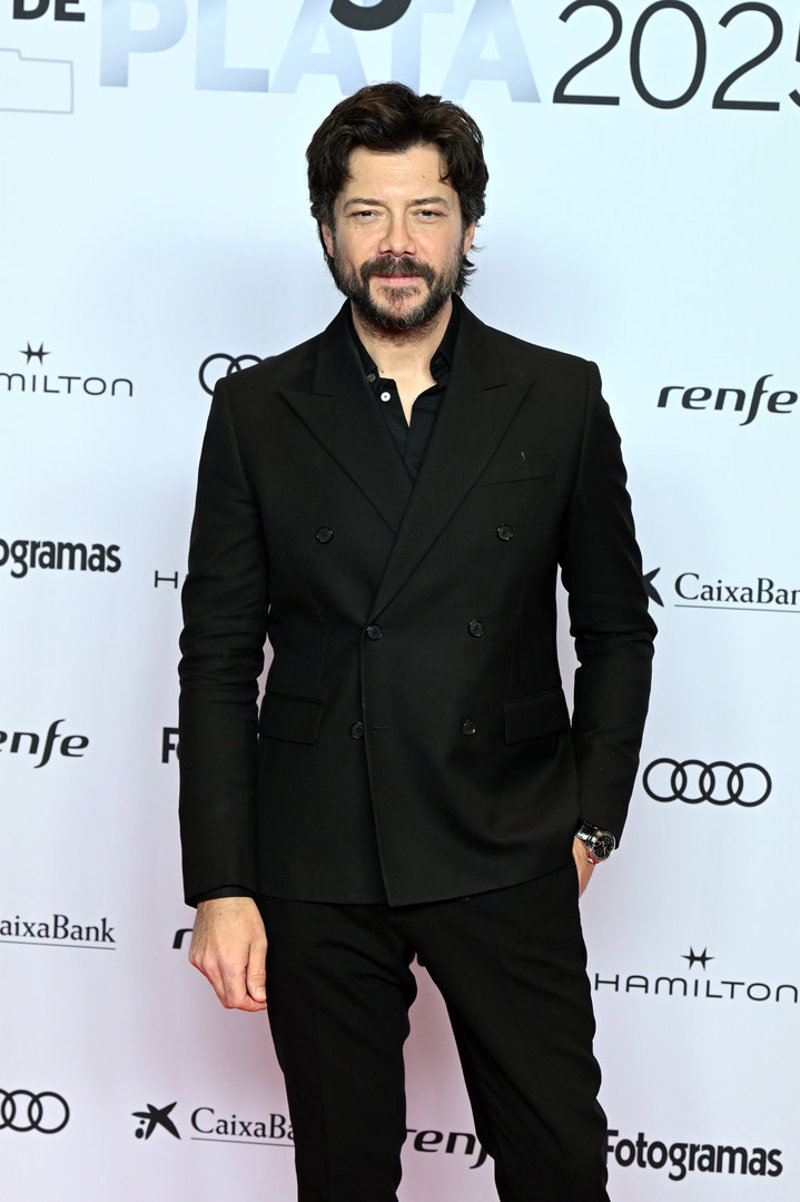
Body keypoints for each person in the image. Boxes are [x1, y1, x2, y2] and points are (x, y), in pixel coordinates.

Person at [179, 82, 655, 1202]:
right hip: (317, 853)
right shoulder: (256, 410)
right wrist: (223, 882)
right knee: (343, 1176)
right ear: (328, 231)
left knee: (557, 1166)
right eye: (367, 213)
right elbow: (217, 658)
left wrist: (589, 820)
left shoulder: (556, 397)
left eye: (426, 211)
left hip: (503, 834)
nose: (398, 243)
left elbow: (615, 628)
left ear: (466, 227)